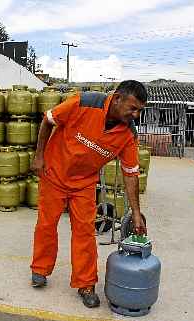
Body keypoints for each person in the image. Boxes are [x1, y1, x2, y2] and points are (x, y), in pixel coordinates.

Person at [30, 80, 148, 308]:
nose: (135, 115)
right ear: (117, 99)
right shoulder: (83, 102)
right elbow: (48, 120)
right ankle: (40, 269)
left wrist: (136, 213)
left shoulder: (128, 135)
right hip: (54, 173)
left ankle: (85, 284)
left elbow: (131, 173)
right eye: (132, 108)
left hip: (84, 184)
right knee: (46, 224)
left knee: (85, 232)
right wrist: (39, 156)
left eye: (140, 111)